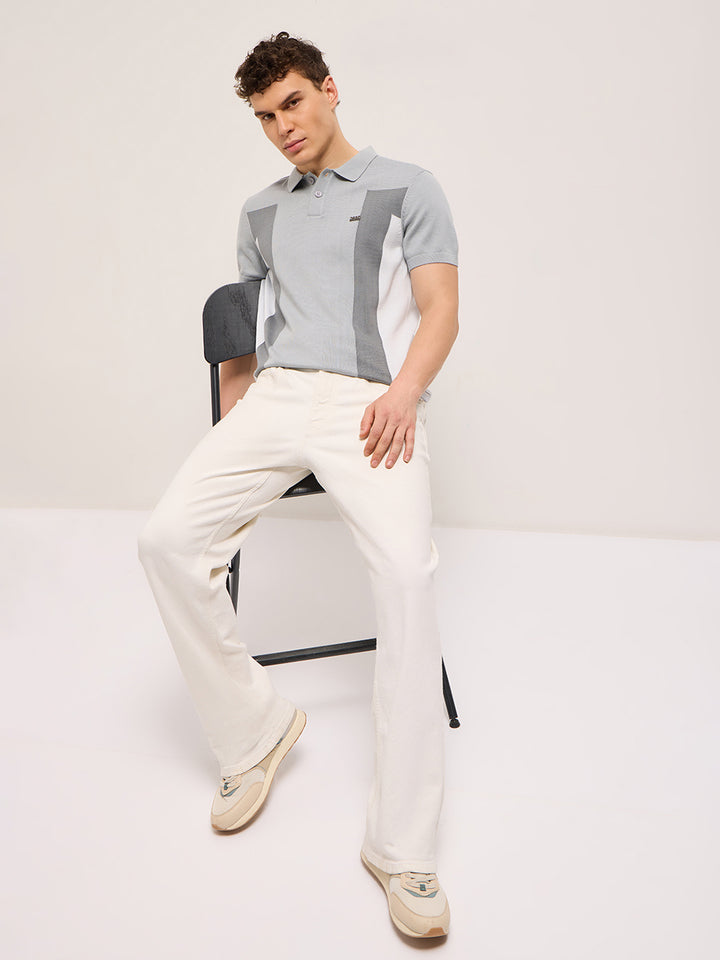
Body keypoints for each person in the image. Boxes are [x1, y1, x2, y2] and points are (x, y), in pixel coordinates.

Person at [137, 30, 459, 939]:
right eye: (264, 116)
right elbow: (246, 331)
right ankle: (255, 731)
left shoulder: (408, 186)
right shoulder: (259, 212)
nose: (282, 126)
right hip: (277, 400)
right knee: (166, 541)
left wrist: (404, 393)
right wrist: (234, 419)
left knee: (406, 577)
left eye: (292, 103)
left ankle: (402, 848)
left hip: (372, 402)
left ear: (328, 90)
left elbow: (441, 308)